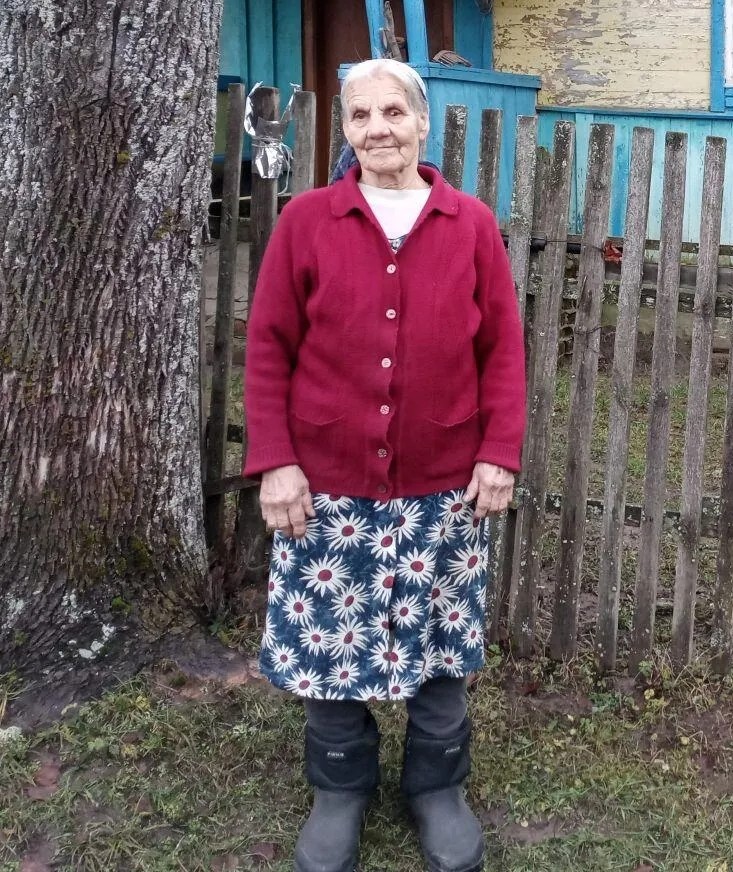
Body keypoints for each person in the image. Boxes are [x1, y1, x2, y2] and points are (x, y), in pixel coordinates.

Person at [244, 58, 526, 872]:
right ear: (344, 130)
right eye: (360, 115)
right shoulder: (308, 220)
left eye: (393, 113)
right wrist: (276, 462)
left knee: (440, 639)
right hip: (326, 483)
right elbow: (267, 347)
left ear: (422, 122)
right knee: (328, 645)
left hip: (443, 483)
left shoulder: (469, 223)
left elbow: (501, 348)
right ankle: (340, 788)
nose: (377, 129)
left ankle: (437, 787)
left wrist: (497, 453)